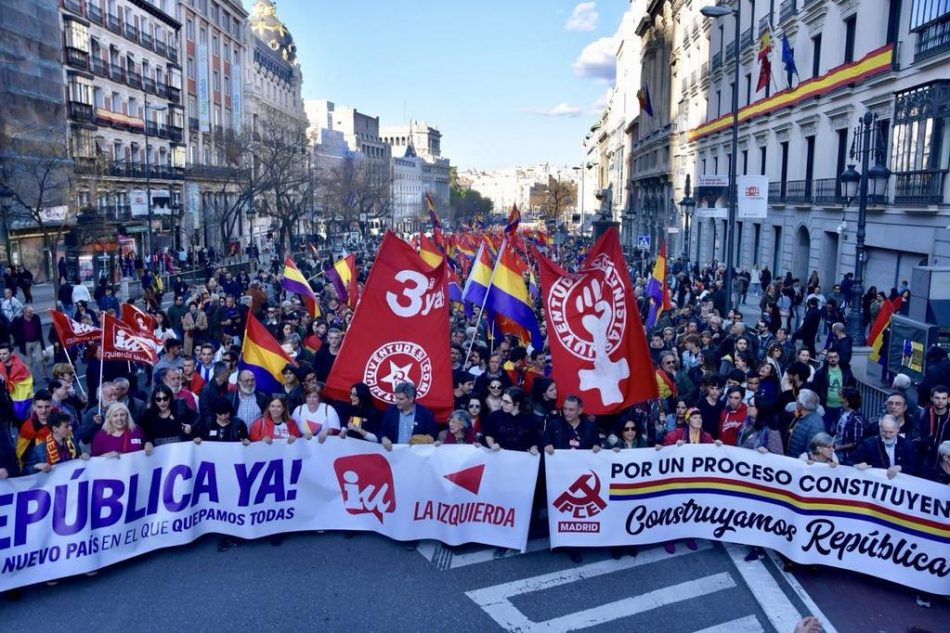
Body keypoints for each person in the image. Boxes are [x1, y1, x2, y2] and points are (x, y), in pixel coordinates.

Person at [854, 415, 918, 478]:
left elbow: (914, 467)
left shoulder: (907, 445)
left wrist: (900, 468)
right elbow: (849, 461)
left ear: (898, 429)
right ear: (879, 428)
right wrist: (857, 465)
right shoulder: (869, 444)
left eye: (891, 432)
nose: (887, 435)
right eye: (884, 432)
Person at [379, 381, 438, 450]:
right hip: (394, 455)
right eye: (396, 398)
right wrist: (383, 438)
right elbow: (382, 431)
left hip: (417, 456)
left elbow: (432, 436)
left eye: (401, 399)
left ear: (411, 399)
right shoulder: (391, 411)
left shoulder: (426, 414)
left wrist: (422, 439)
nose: (397, 401)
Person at [787, 389, 825, 457]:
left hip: (798, 464)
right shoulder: (800, 414)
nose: (796, 401)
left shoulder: (816, 426)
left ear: (802, 405)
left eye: (798, 399)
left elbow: (812, 452)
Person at [832, 387, 865, 466]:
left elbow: (855, 443)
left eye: (841, 397)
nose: (839, 399)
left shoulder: (857, 420)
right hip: (836, 450)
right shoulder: (841, 411)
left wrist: (839, 448)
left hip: (846, 456)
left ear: (847, 402)